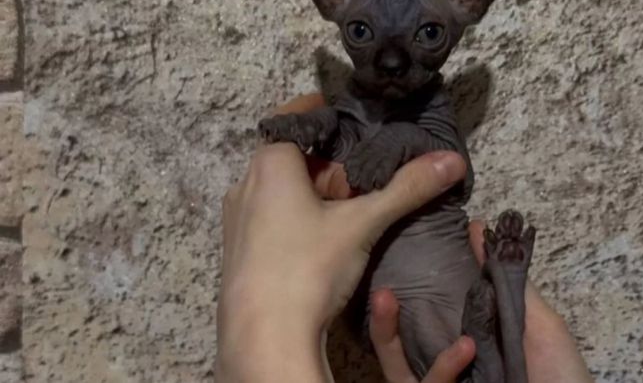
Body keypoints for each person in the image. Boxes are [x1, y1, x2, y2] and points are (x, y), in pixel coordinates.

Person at [216, 94, 593, 383]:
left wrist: (260, 332)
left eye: (429, 34)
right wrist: (318, 124)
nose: (392, 60)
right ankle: (499, 303)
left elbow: (457, 178)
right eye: (362, 32)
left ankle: (498, 307)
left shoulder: (432, 105)